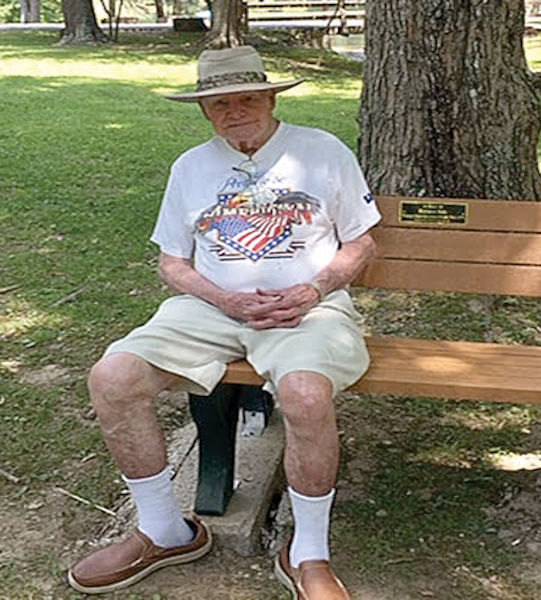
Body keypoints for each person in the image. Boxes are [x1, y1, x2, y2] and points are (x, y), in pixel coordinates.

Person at [67, 46, 380, 600]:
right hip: (210, 308)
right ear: (205, 110)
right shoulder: (190, 167)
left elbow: (361, 241)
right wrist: (223, 299)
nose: (236, 110)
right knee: (112, 378)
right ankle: (165, 530)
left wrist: (313, 288)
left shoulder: (321, 150)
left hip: (307, 309)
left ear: (269, 99)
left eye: (248, 99)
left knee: (306, 396)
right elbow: (172, 263)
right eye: (220, 103)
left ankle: (308, 550)